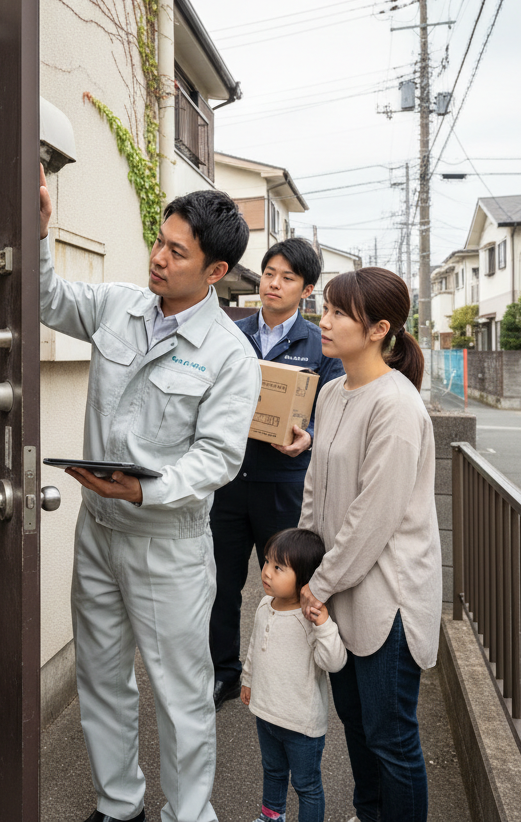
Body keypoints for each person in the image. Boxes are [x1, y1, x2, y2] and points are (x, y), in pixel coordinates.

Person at [39, 165, 262, 822]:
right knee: (101, 681)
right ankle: (119, 806)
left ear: (215, 272)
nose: (158, 258)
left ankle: (188, 816)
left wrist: (144, 488)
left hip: (166, 543)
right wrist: (40, 231)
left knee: (182, 695)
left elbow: (218, 457)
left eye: (177, 251)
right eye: (159, 241)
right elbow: (46, 298)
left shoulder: (229, 356)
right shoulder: (118, 306)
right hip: (97, 531)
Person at [298, 267, 441, 822]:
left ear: (379, 328)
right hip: (338, 586)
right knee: (357, 728)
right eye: (326, 308)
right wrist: (307, 565)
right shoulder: (333, 392)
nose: (324, 321)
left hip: (389, 597)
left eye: (337, 312)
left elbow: (371, 519)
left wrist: (319, 583)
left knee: (391, 737)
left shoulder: (397, 406)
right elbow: (316, 487)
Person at [209, 238, 344, 711]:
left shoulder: (320, 344)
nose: (274, 283)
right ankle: (222, 675)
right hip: (225, 482)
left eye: (287, 277)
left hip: (284, 486)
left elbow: (332, 410)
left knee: (290, 585)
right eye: (269, 273)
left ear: (306, 288)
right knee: (220, 585)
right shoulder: (229, 333)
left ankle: (293, 676)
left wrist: (308, 436)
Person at [240, 528, 347, 822]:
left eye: (278, 567)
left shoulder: (309, 618)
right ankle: (272, 817)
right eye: (266, 562)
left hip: (301, 724)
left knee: (306, 786)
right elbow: (253, 646)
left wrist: (324, 624)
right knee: (272, 772)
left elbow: (334, 662)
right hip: (267, 714)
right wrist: (247, 679)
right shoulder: (264, 605)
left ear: (304, 579)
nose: (266, 573)